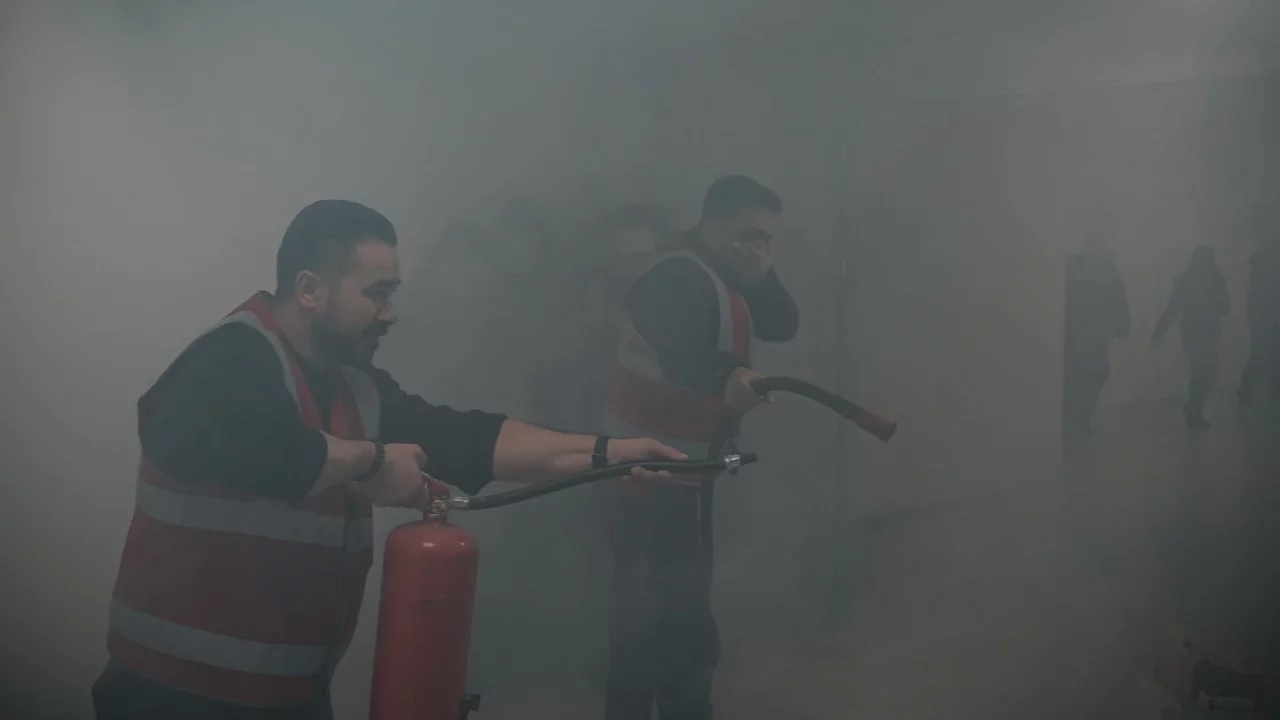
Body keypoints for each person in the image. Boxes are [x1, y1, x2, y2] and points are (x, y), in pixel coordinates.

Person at [91, 199, 687, 720]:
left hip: (286, 699)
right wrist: (372, 462)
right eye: (377, 293)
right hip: (173, 699)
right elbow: (262, 449)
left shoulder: (355, 387)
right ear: (310, 290)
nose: (391, 313)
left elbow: (464, 439)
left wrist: (608, 454)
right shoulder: (229, 357)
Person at [601, 176, 799, 720]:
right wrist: (729, 376)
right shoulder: (673, 274)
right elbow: (681, 352)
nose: (759, 247)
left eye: (767, 238)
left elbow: (784, 324)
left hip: (685, 472)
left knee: (678, 615)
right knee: (647, 620)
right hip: (640, 475)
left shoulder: (726, 271)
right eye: (750, 235)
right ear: (713, 223)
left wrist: (761, 275)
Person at [1151, 245, 1231, 429]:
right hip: (1194, 332)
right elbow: (1173, 308)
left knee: (1208, 375)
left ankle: (1193, 408)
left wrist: (1210, 305)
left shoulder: (1214, 278)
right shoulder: (1189, 279)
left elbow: (1226, 307)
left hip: (1207, 332)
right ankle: (1194, 411)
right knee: (1202, 373)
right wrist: (1158, 333)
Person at [1063, 227, 1130, 440]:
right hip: (1075, 330)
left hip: (1096, 331)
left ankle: (1079, 418)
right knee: (1079, 374)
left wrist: (1122, 325)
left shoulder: (1107, 268)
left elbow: (1118, 298)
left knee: (1097, 372)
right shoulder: (1073, 265)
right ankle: (1076, 420)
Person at [1237, 230, 1280, 407]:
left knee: (1264, 353)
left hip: (1264, 317)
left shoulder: (1261, 262)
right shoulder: (1265, 263)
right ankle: (1255, 389)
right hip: (1265, 317)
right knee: (1261, 354)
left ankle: (1268, 389)